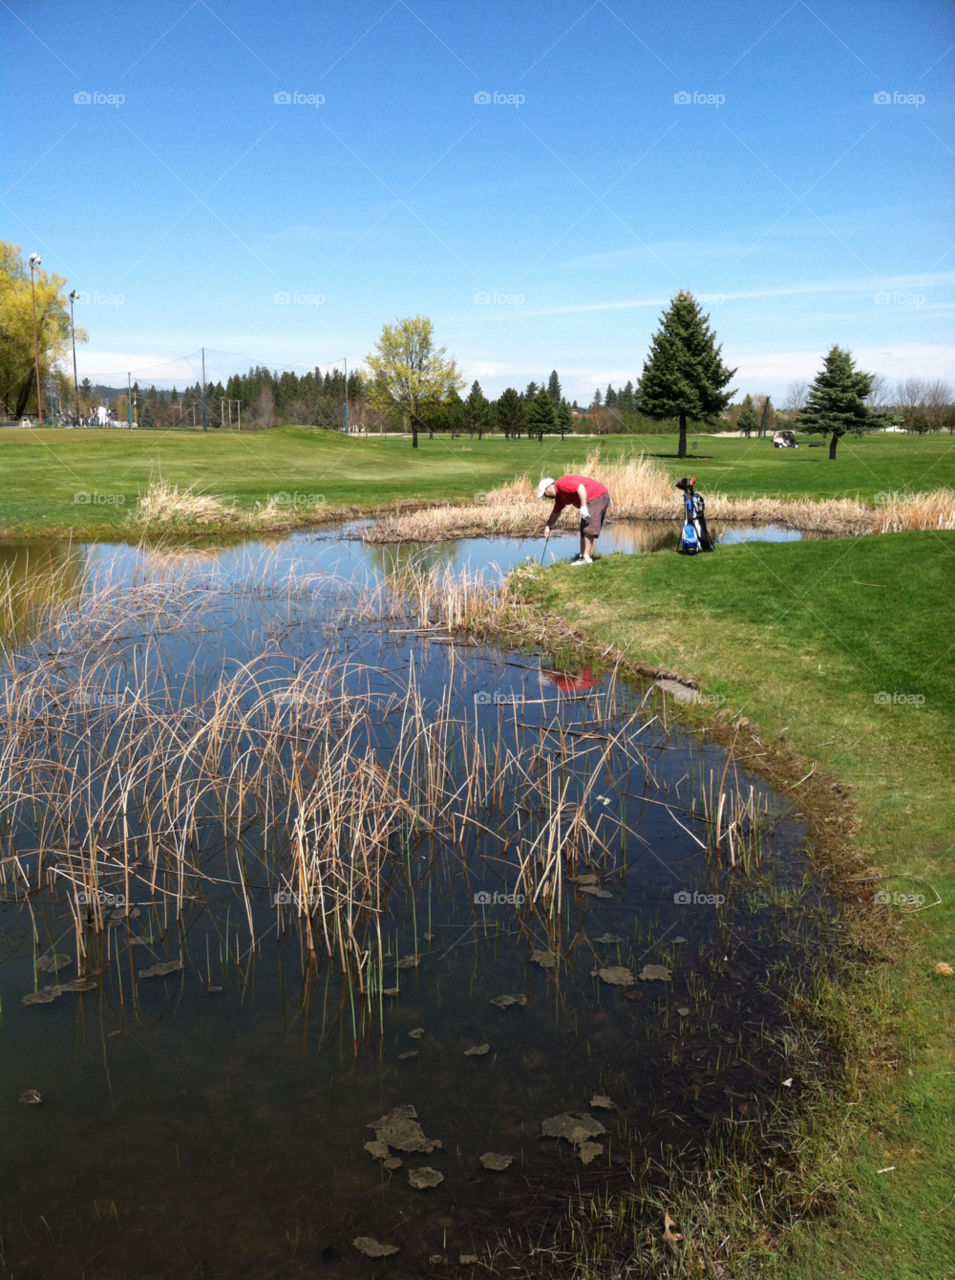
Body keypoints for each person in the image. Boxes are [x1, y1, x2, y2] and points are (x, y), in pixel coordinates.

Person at [538, 474, 611, 565]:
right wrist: (548, 526)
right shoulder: (560, 497)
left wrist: (584, 507)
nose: (545, 496)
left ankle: (586, 558)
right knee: (583, 527)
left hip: (597, 495)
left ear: (548, 488)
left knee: (589, 526)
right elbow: (555, 512)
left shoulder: (562, 484)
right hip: (591, 499)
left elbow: (580, 488)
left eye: (544, 494)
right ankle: (582, 557)